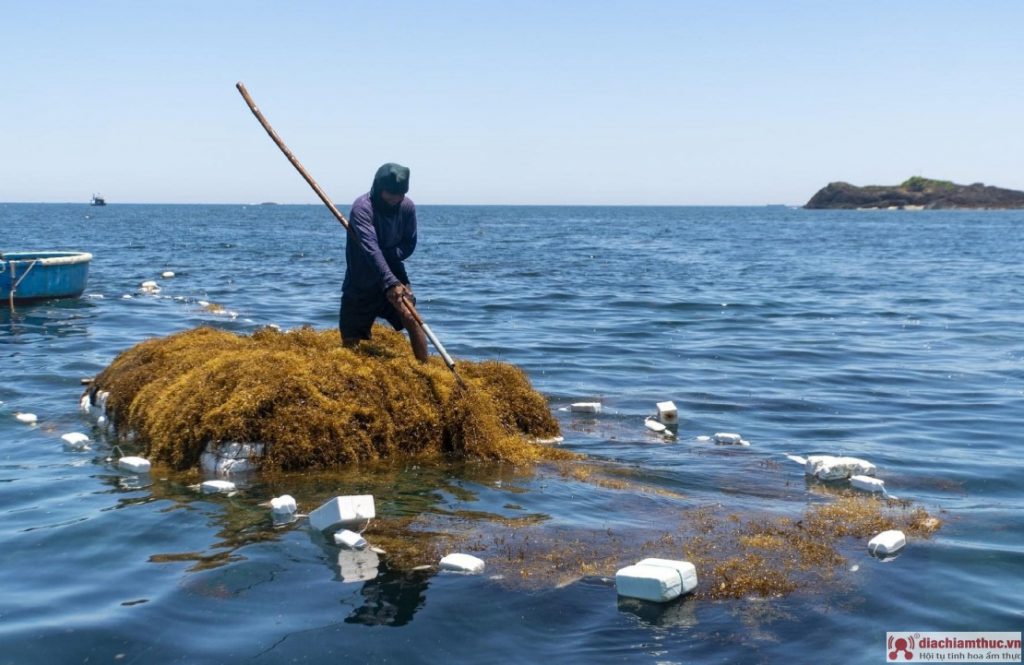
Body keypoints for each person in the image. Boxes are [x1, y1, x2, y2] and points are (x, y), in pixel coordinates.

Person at [339, 162, 428, 362]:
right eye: (390, 194)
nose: (395, 200)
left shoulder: (407, 207)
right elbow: (370, 248)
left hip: (395, 273)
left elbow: (409, 244)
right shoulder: (362, 208)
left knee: (411, 318)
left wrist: (388, 259)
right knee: (351, 338)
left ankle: (425, 367)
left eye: (400, 195)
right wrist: (389, 281)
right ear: (378, 188)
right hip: (361, 278)